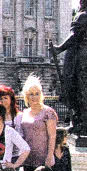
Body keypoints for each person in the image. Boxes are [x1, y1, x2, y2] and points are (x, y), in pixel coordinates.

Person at [51, 0, 87, 133]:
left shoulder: (82, 16)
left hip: (80, 58)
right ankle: (78, 121)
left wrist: (59, 48)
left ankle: (82, 123)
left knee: (77, 88)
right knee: (78, 89)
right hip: (79, 56)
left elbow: (74, 36)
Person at [16, 74, 57, 171]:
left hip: (43, 160)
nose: (34, 97)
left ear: (41, 94)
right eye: (31, 94)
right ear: (26, 97)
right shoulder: (24, 113)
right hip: (28, 160)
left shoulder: (49, 112)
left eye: (37, 93)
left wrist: (49, 157)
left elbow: (52, 136)